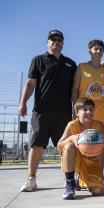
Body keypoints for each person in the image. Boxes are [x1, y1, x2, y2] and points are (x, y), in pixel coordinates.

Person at [19, 30, 77, 192]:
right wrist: (22, 103)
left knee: (67, 146)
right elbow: (30, 83)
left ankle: (71, 180)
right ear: (47, 42)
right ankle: (31, 179)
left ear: (63, 43)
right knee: (36, 145)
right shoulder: (38, 60)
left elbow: (74, 89)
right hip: (41, 111)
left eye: (59, 40)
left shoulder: (70, 64)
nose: (56, 42)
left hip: (64, 113)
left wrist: (75, 110)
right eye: (53, 39)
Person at [57, 97, 104, 199]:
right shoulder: (72, 125)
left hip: (91, 162)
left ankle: (82, 179)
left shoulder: (99, 125)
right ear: (77, 113)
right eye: (85, 109)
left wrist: (100, 174)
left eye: (91, 109)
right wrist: (71, 138)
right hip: (76, 162)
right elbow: (59, 146)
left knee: (98, 191)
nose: (89, 112)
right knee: (69, 146)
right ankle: (70, 182)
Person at [72, 39, 104, 135]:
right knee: (84, 139)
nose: (99, 51)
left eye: (101, 49)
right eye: (96, 49)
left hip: (102, 109)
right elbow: (75, 89)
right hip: (85, 108)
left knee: (101, 139)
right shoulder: (82, 67)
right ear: (90, 51)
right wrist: (75, 109)